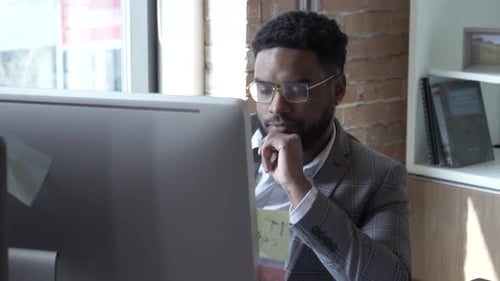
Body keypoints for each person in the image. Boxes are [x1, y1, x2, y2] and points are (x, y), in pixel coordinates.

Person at [248, 11, 411, 280]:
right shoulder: (223, 143)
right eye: (265, 90)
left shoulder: (379, 177)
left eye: (295, 90)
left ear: (338, 89)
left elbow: (391, 278)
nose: (277, 107)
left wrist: (299, 190)